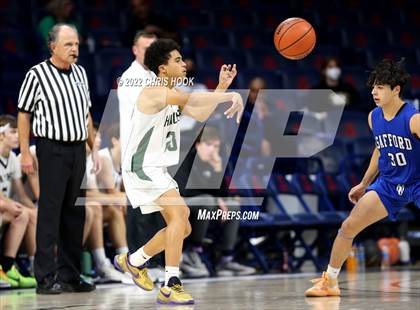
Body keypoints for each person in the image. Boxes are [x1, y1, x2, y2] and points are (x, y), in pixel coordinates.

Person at [113, 38, 242, 305]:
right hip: (141, 166)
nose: (184, 65)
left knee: (182, 227)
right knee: (180, 214)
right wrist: (229, 95)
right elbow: (192, 98)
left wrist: (221, 87)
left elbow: (200, 112)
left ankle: (133, 261)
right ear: (162, 68)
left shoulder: (172, 91)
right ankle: (171, 283)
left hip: (156, 167)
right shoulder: (155, 91)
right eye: (177, 60)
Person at [305, 59, 419, 297]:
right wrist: (365, 183)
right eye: (373, 87)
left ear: (396, 89)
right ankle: (330, 282)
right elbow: (380, 149)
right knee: (348, 226)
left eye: (380, 87)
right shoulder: (373, 117)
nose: (374, 92)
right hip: (389, 183)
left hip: (417, 182)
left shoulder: (413, 118)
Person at [17, 24, 100, 294]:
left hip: (78, 150)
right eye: (68, 44)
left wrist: (94, 148)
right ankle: (45, 277)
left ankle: (70, 275)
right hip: (51, 149)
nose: (74, 49)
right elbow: (23, 114)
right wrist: (25, 151)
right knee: (50, 214)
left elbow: (86, 113)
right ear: (53, 47)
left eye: (76, 44)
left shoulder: (81, 74)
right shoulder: (36, 75)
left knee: (75, 213)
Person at [176, 126, 257, 278]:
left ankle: (226, 259)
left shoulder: (213, 162)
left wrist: (218, 170)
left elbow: (224, 195)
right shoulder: (185, 159)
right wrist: (215, 199)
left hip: (205, 204)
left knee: (232, 205)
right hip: (180, 203)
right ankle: (191, 252)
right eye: (208, 145)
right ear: (198, 145)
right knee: (207, 201)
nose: (213, 150)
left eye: (216, 146)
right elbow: (183, 190)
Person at [117, 31, 165, 282]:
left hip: (156, 151)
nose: (150, 52)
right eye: (145, 47)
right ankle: (132, 263)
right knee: (138, 211)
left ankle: (150, 262)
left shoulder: (154, 76)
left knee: (156, 210)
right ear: (135, 50)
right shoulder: (130, 78)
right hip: (137, 151)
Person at [84, 125, 130, 283]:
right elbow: (105, 194)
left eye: (98, 136)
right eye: (93, 136)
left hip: (91, 206)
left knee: (115, 210)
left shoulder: (93, 159)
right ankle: (101, 263)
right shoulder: (103, 157)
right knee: (100, 207)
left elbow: (98, 193)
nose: (97, 140)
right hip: (52, 207)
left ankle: (128, 263)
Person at [0, 116, 37, 288]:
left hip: (4, 205)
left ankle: (32, 266)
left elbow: (21, 195)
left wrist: (38, 210)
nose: (18, 136)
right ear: (1, 135)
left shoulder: (13, 159)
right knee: (17, 211)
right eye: (13, 132)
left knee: (28, 214)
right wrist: (10, 204)